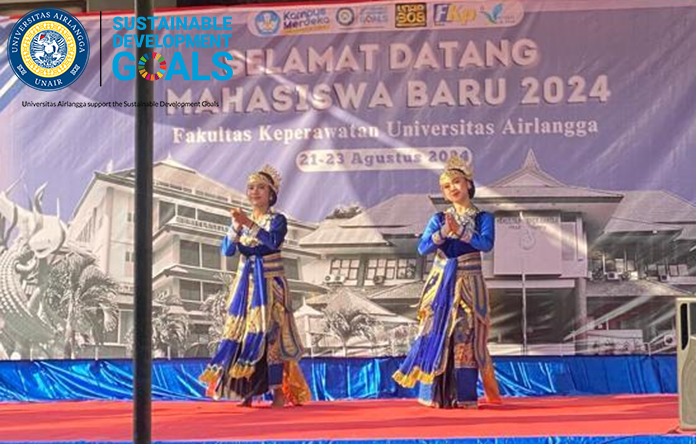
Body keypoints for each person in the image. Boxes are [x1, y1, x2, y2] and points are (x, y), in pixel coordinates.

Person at [393, 154, 501, 408]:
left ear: (469, 185)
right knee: (437, 335)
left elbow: (486, 244)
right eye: (446, 185)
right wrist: (444, 232)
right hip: (442, 284)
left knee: (465, 338)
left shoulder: (483, 218)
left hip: (469, 285)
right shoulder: (439, 219)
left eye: (456, 182)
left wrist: (461, 231)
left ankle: (464, 397)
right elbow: (423, 248)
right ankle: (435, 395)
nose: (452, 188)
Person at [200, 165, 310, 408]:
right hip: (245, 288)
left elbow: (271, 243)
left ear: (271, 194)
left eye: (261, 187)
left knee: (271, 337)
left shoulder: (277, 220)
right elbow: (228, 251)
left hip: (270, 286)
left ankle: (279, 392)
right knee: (241, 336)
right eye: (251, 187)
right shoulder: (241, 221)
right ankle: (248, 392)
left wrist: (248, 223)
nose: (255, 192)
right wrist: (235, 227)